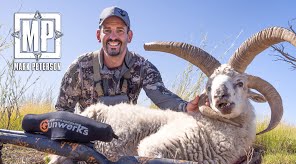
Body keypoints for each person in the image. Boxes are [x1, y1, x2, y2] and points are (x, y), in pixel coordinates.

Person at [55, 6, 199, 113]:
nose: (113, 37)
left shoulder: (143, 67)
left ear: (129, 36)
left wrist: (186, 107)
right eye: (107, 30)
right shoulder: (80, 67)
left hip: (126, 137)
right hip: (88, 137)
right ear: (98, 35)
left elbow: (161, 97)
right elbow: (63, 111)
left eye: (119, 30)